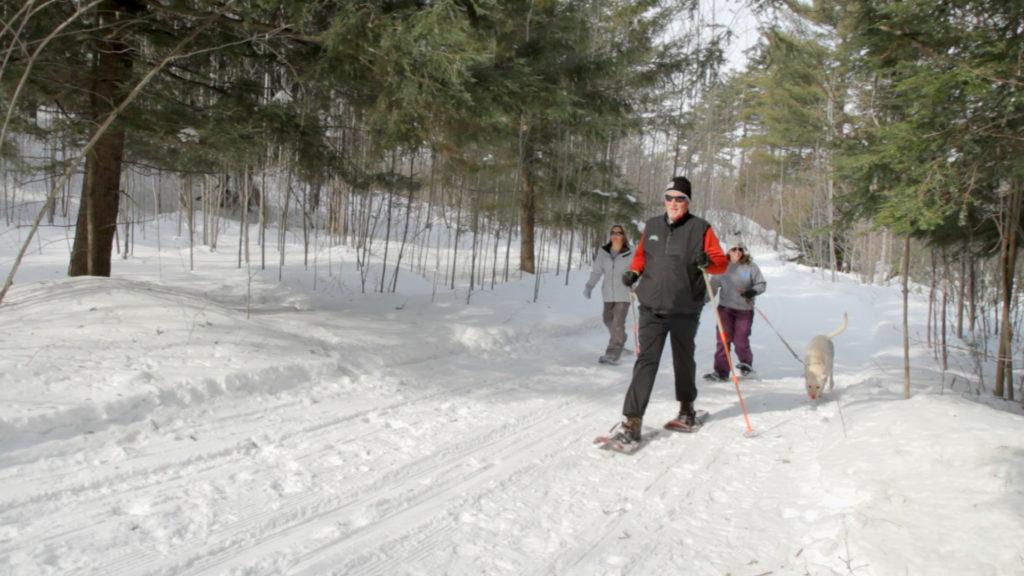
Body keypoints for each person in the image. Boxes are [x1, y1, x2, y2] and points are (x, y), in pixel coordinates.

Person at [612, 176, 728, 445]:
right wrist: (633, 271)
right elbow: (642, 255)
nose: (673, 203)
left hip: (685, 307)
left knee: (683, 360)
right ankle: (632, 421)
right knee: (645, 362)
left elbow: (721, 264)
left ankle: (687, 409)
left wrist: (708, 261)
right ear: (664, 200)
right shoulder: (652, 225)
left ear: (687, 202)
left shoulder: (701, 228)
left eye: (680, 198)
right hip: (651, 306)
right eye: (669, 197)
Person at [704, 239, 767, 381]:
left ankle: (746, 365)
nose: (737, 252)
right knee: (723, 340)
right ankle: (721, 372)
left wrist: (752, 291)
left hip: (744, 310)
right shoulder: (722, 267)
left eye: (740, 249)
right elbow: (712, 288)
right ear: (728, 251)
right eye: (734, 249)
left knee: (740, 340)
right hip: (725, 309)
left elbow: (761, 284)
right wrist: (702, 300)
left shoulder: (751, 267)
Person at [584, 224, 634, 365]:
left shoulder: (630, 252)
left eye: (619, 233)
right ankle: (621, 340)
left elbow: (638, 270)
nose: (615, 235)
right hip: (607, 293)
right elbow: (597, 271)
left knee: (618, 323)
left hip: (624, 292)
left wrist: (634, 283)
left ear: (623, 235)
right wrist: (589, 286)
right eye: (613, 232)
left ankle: (612, 353)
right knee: (607, 319)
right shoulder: (603, 252)